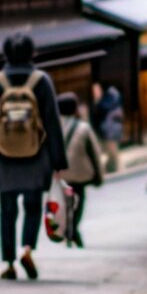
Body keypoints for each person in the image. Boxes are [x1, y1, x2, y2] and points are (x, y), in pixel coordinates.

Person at [0, 34, 67, 280]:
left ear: (5, 53)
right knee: (32, 207)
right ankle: (26, 248)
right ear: (32, 53)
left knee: (7, 210)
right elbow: (52, 122)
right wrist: (58, 161)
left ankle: (8, 263)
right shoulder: (41, 81)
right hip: (35, 154)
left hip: (3, 155)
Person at [57, 92, 104, 248]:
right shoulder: (83, 127)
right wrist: (99, 175)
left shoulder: (52, 128)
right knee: (79, 202)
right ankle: (73, 229)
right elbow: (95, 153)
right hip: (79, 174)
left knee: (65, 204)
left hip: (60, 174)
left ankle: (69, 230)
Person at [92, 82, 123, 173]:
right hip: (108, 131)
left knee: (112, 151)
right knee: (111, 151)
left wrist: (97, 102)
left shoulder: (106, 103)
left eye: (96, 90)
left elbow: (103, 115)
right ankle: (112, 168)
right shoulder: (107, 102)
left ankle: (114, 168)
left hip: (110, 131)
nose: (95, 92)